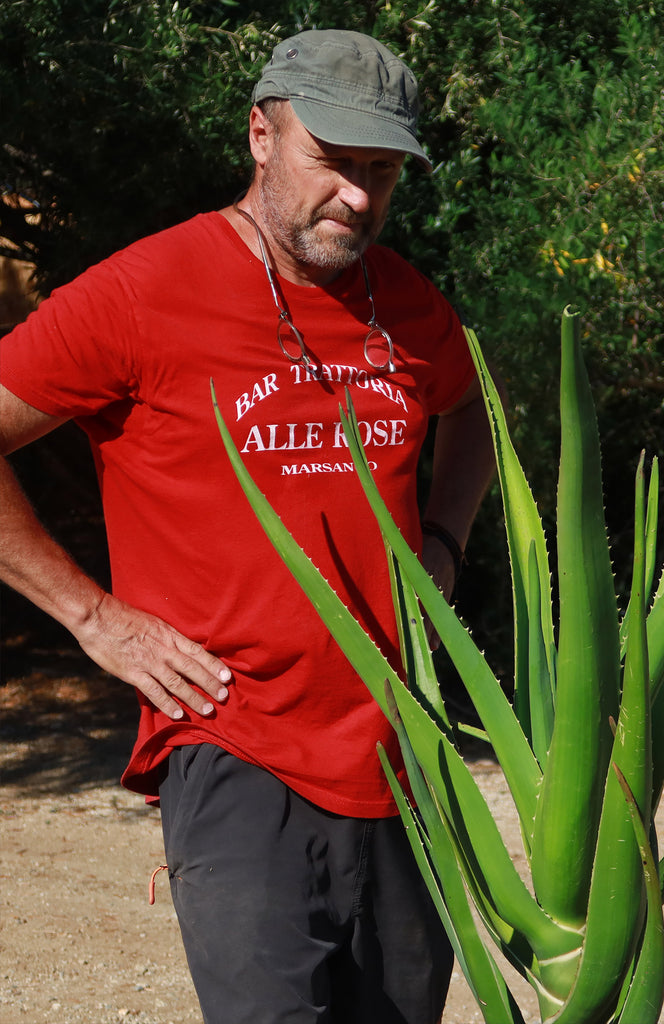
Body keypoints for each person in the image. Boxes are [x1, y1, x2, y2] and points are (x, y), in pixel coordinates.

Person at [0, 29, 498, 1024]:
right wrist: (95, 618)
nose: (357, 197)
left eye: (382, 172)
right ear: (261, 137)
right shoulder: (144, 292)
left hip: (405, 753)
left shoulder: (404, 302)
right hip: (236, 744)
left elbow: (473, 408)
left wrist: (443, 545)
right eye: (334, 160)